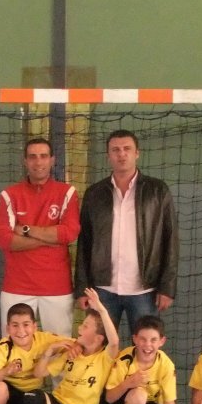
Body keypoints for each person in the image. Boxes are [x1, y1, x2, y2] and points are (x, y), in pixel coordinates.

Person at [74, 129, 179, 336]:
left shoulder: (158, 191)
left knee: (144, 349)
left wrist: (167, 287)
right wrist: (82, 288)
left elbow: (170, 240)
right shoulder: (94, 194)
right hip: (102, 290)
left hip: (145, 291)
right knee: (99, 348)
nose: (121, 154)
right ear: (108, 156)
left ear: (137, 153)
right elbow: (84, 243)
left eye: (127, 149)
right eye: (115, 150)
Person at [23, 288, 119, 404]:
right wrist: (49, 351)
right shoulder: (71, 352)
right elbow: (38, 373)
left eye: (86, 326)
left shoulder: (104, 358)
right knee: (32, 396)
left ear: (98, 338)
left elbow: (114, 342)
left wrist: (101, 309)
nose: (80, 328)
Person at [0, 138, 80, 337]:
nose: (38, 162)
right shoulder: (9, 195)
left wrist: (25, 230)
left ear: (52, 160)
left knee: (59, 348)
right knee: (13, 347)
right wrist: (50, 237)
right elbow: (4, 239)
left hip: (57, 286)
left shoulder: (67, 192)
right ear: (25, 161)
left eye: (43, 156)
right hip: (17, 286)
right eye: (32, 157)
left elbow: (68, 233)